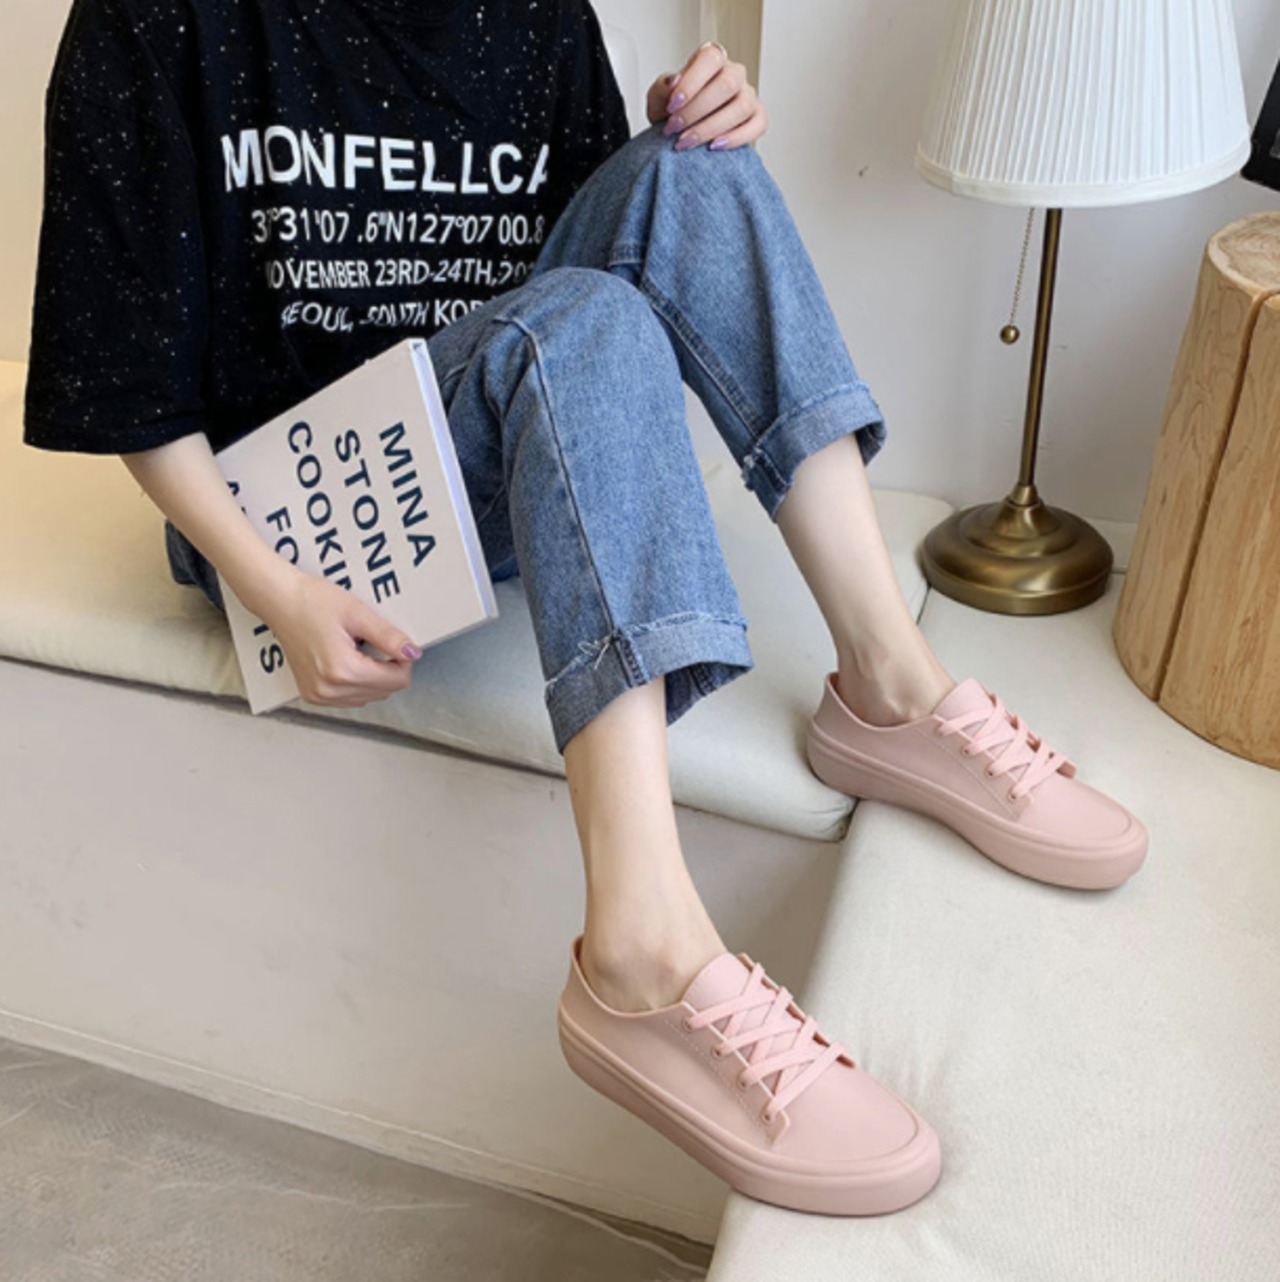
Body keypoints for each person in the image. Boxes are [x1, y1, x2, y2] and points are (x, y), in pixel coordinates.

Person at [23, 0, 1147, 1217]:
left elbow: (593, 291)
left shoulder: (537, 14)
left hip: (478, 460)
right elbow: (123, 375)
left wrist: (682, 130)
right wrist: (273, 585)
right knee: (588, 318)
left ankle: (890, 684)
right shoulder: (152, 18)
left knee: (695, 170)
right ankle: (639, 950)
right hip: (288, 525)